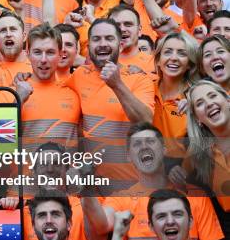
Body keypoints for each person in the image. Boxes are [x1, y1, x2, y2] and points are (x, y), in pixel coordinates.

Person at [82, 123, 223, 240]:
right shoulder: (122, 199)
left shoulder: (196, 196)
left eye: (150, 141)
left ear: (164, 150)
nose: (144, 147)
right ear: (129, 156)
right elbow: (102, 224)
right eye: (137, 144)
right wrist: (86, 187)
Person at [66, 19, 154, 187]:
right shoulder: (79, 75)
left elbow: (145, 121)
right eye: (96, 39)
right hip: (91, 183)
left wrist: (117, 84)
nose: (102, 44)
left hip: (131, 183)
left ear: (120, 45)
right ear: (88, 46)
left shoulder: (139, 79)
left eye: (109, 38)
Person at [13, 24, 80, 149]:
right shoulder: (11, 93)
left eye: (50, 52)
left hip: (67, 168)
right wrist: (17, 102)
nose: (43, 60)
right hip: (26, 169)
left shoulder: (75, 92)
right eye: (37, 52)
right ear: (28, 54)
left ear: (60, 55)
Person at [184, 80, 230, 240]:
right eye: (200, 103)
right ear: (198, 119)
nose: (209, 104)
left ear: (228, 100)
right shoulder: (199, 157)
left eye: (212, 96)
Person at [152, 32, 199, 159]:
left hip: (182, 172)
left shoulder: (197, 97)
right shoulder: (145, 89)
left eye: (182, 53)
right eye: (168, 52)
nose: (174, 58)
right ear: (158, 60)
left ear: (190, 64)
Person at [108, 4, 156, 75]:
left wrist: (144, 75)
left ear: (139, 30)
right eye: (116, 25)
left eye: (128, 24)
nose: (122, 29)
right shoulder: (100, 62)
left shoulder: (154, 64)